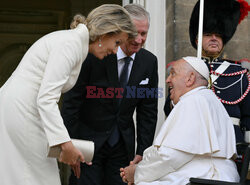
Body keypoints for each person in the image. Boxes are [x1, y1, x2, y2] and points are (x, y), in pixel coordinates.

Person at [0, 4, 137, 185]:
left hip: (21, 110)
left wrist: (68, 147)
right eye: (117, 42)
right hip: (23, 112)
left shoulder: (74, 43)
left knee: (27, 175)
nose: (115, 50)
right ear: (106, 34)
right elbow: (47, 98)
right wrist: (65, 145)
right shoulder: (70, 44)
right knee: (38, 177)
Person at [61, 3, 158, 185]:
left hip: (123, 148)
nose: (139, 39)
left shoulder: (149, 62)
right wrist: (70, 143)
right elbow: (72, 101)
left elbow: (148, 112)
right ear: (122, 31)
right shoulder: (95, 53)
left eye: (144, 33)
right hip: (88, 144)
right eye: (134, 33)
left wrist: (142, 152)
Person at [120, 57, 239, 185]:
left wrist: (137, 173)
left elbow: (171, 156)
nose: (167, 80)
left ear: (190, 78)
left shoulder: (193, 101)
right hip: (211, 175)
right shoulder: (209, 99)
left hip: (205, 177)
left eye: (173, 73)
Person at [164, 0, 250, 145]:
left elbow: (248, 115)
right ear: (197, 39)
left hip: (231, 142)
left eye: (219, 35)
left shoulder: (240, 72)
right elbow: (169, 109)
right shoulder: (184, 69)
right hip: (194, 140)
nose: (214, 38)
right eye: (208, 34)